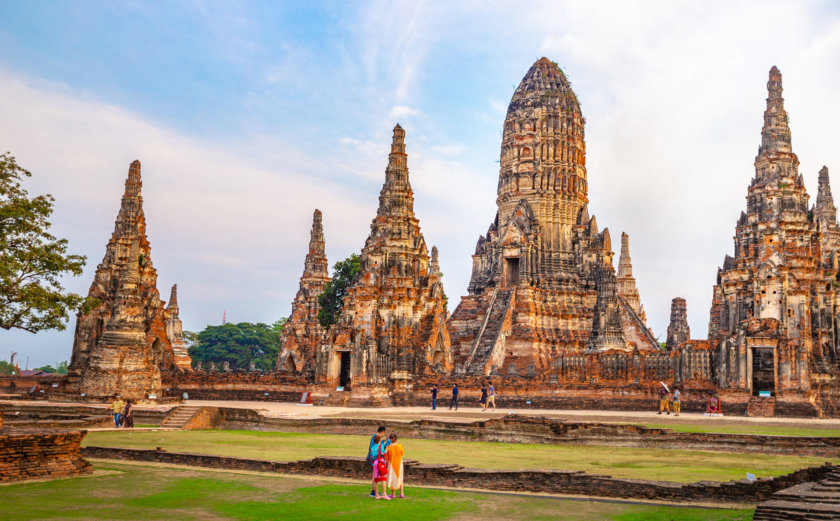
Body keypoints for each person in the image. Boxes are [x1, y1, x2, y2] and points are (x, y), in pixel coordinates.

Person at [367, 426, 390, 497]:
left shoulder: (375, 437)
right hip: (376, 460)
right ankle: (374, 492)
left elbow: (377, 445)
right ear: (382, 432)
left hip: (374, 459)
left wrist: (383, 441)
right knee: (375, 477)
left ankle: (374, 492)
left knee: (375, 476)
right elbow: (378, 448)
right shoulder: (376, 436)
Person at [385, 433, 405, 498]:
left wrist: (385, 466)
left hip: (392, 465)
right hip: (399, 463)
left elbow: (386, 459)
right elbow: (402, 454)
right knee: (400, 478)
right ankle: (401, 493)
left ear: (390, 439)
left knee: (392, 478)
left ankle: (393, 494)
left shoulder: (388, 448)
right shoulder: (400, 446)